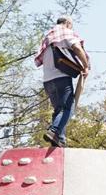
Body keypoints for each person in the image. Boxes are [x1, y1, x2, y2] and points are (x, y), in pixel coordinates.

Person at [34, 15, 90, 148]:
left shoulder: (48, 37)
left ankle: (59, 140)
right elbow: (76, 47)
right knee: (68, 108)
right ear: (67, 23)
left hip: (47, 81)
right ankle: (54, 131)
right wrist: (85, 65)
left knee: (59, 110)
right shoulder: (65, 32)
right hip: (61, 78)